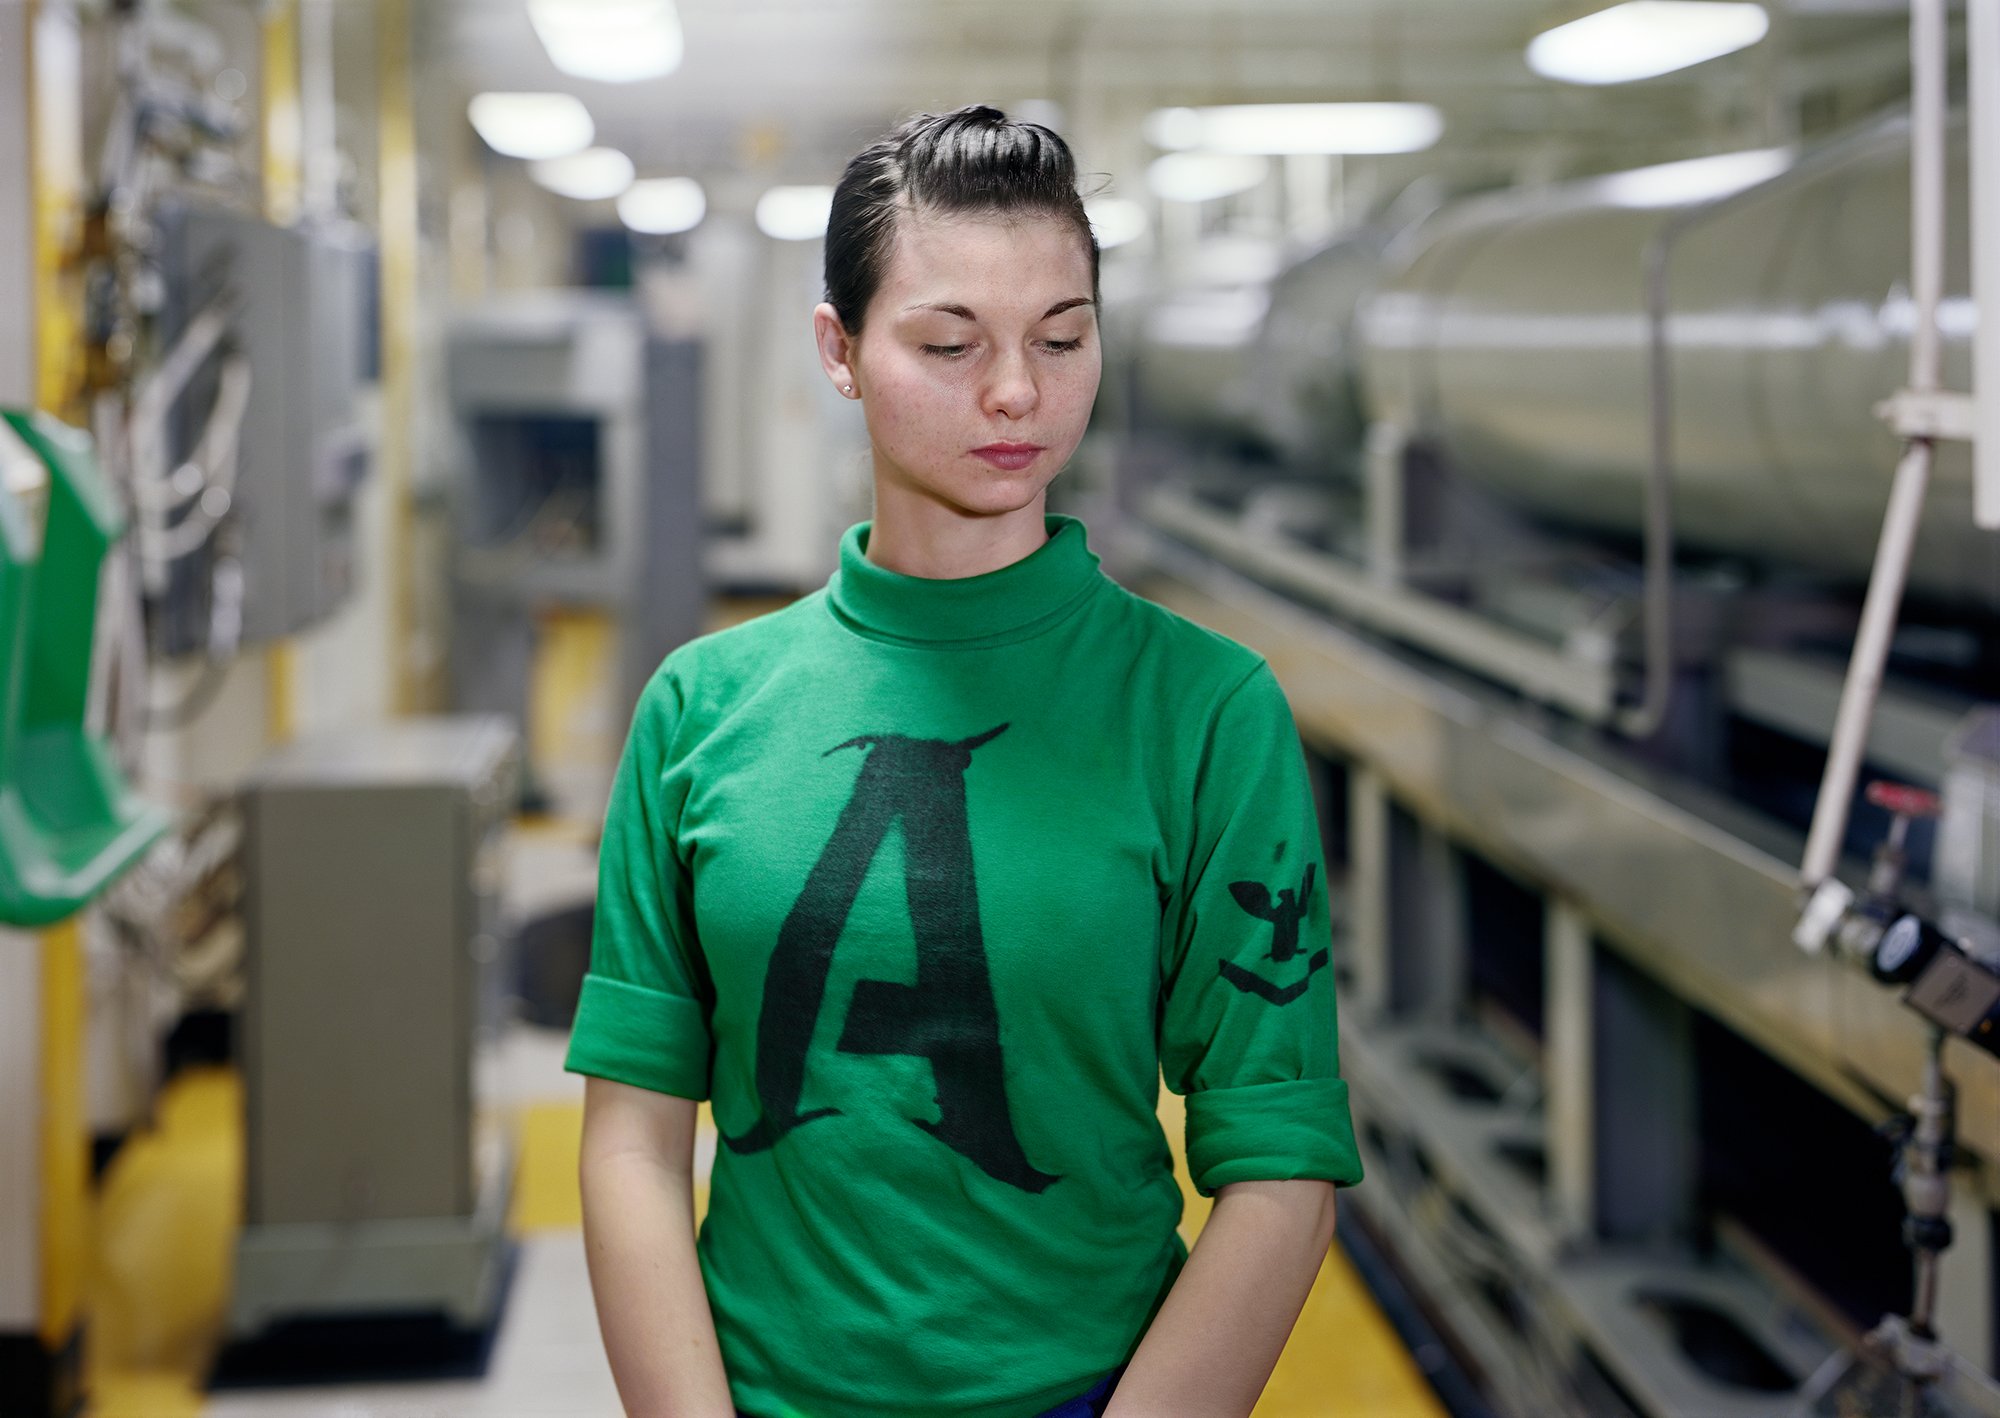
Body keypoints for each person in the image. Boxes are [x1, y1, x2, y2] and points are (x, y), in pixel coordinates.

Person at [565, 104, 1363, 1418]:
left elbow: (1281, 1168)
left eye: (1063, 337)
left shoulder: (1205, 712)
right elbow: (635, 1138)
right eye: (950, 342)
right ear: (840, 349)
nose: (1016, 392)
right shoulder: (702, 709)